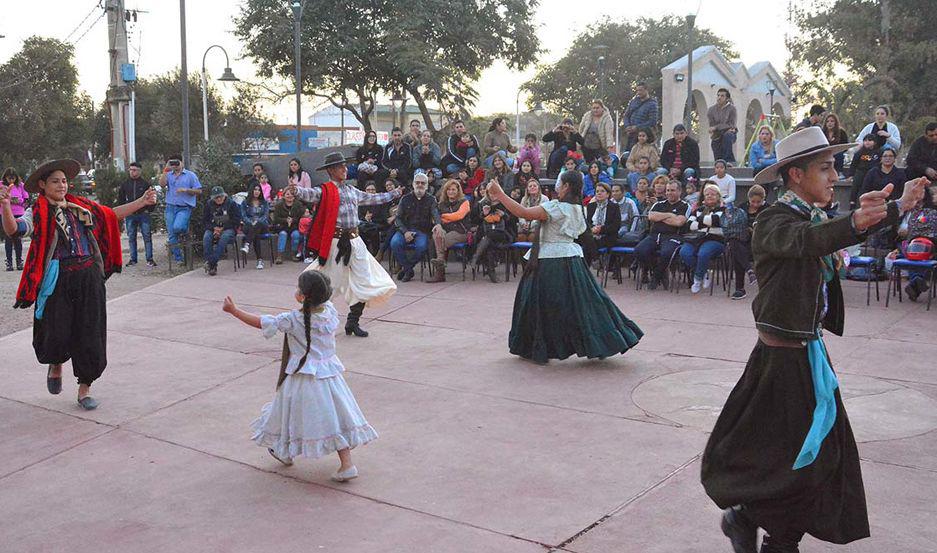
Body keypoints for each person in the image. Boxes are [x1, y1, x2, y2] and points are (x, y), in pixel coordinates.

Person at [702, 126, 927, 553]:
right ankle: (764, 531)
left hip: (807, 356)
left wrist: (898, 204)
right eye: (824, 168)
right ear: (795, 176)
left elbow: (832, 230)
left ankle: (753, 522)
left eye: (833, 167)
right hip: (780, 364)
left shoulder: (813, 216)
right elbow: (809, 242)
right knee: (802, 460)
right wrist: (858, 220)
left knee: (810, 458)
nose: (833, 176)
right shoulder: (774, 221)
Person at [0, 159, 157, 410]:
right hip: (57, 279)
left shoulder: (81, 206)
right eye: (55, 181)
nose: (61, 185)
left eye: (64, 181)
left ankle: (85, 388)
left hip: (88, 277)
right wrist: (6, 206)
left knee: (90, 332)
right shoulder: (37, 211)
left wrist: (142, 202)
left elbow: (110, 214)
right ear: (43, 185)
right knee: (55, 331)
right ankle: (55, 363)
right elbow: (14, 230)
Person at [223, 271, 377, 481]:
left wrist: (234, 311)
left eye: (298, 288)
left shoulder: (294, 319)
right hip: (330, 377)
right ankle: (345, 463)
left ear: (303, 296)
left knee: (287, 413)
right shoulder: (330, 312)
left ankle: (283, 451)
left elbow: (262, 322)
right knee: (336, 418)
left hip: (302, 378)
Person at [485, 171, 643, 363]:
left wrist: (500, 194)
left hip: (551, 262)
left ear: (567, 186)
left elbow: (523, 213)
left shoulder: (557, 208)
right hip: (572, 261)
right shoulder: (579, 208)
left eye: (559, 184)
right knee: (585, 303)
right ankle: (606, 339)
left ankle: (540, 346)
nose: (556, 187)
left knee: (540, 305)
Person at [288, 153, 402, 337]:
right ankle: (314, 321)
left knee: (364, 280)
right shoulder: (326, 190)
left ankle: (352, 322)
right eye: (341, 167)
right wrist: (297, 191)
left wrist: (393, 194)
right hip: (336, 243)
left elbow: (372, 198)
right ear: (331, 170)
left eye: (345, 166)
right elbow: (311, 194)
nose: (345, 169)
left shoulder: (352, 190)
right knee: (328, 283)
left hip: (356, 242)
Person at [635, 181, 689, 290]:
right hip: (654, 235)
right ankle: (658, 271)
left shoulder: (685, 206)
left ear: (679, 191)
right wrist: (669, 215)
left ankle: (656, 277)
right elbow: (651, 216)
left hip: (673, 236)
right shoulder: (658, 204)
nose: (669, 193)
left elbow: (679, 222)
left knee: (666, 253)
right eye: (668, 190)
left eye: (672, 190)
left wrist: (661, 218)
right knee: (639, 250)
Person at [391, 173, 442, 282]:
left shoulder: (431, 199)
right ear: (413, 184)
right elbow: (398, 219)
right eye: (417, 182)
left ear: (427, 186)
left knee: (421, 247)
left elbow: (435, 214)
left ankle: (406, 269)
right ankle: (409, 270)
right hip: (405, 230)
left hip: (422, 231)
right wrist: (405, 232)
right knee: (394, 243)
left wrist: (438, 224)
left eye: (423, 183)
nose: (420, 185)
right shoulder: (405, 199)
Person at [723, 185, 768, 300]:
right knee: (734, 244)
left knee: (738, 253)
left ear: (763, 200)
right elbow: (733, 224)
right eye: (753, 201)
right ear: (749, 198)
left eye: (759, 202)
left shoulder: (768, 209)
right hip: (743, 241)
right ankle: (747, 274)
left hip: (761, 243)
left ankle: (742, 285)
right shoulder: (741, 207)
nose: (755, 204)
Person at [679, 183, 725, 293]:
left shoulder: (723, 210)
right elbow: (689, 225)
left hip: (715, 239)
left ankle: (697, 279)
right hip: (696, 238)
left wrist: (699, 220)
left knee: (703, 254)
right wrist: (706, 222)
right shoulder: (698, 210)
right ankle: (704, 272)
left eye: (713, 194)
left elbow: (716, 220)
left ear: (718, 196)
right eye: (707, 194)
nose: (709, 196)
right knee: (684, 252)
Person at [159, 154, 202, 263]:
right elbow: (162, 184)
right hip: (170, 207)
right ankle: (179, 259)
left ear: (181, 162)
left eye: (177, 162)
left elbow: (199, 191)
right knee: (172, 233)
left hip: (184, 207)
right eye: (173, 162)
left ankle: (185, 229)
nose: (175, 165)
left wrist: (186, 190)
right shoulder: (169, 174)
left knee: (178, 227)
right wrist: (166, 169)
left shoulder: (190, 175)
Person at [427, 179, 471, 282]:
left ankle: (440, 272)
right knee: (436, 231)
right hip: (446, 230)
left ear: (458, 190)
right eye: (449, 190)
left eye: (453, 189)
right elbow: (435, 218)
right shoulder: (441, 204)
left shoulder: (464, 202)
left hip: (461, 232)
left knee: (440, 240)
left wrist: (443, 216)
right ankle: (441, 265)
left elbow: (459, 216)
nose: (451, 192)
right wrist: (440, 223)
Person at [470, 180, 514, 283]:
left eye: (495, 192)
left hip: (503, 233)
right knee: (489, 245)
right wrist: (484, 214)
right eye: (491, 193)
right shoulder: (482, 204)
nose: (493, 195)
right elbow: (475, 221)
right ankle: (491, 272)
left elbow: (512, 222)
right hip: (487, 232)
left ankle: (476, 257)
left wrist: (504, 215)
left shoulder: (506, 203)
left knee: (488, 237)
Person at [117, 162, 157, 267]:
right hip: (130, 215)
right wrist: (123, 211)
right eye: (130, 170)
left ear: (139, 171)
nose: (132, 172)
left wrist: (149, 210)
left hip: (143, 214)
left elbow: (152, 198)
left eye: (134, 170)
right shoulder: (125, 184)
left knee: (147, 236)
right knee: (131, 237)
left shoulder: (145, 184)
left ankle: (150, 259)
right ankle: (133, 259)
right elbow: (121, 199)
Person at [202, 186, 241, 276]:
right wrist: (214, 228)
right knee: (206, 237)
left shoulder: (232, 204)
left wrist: (222, 228)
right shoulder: (208, 205)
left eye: (220, 196)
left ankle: (211, 263)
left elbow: (236, 221)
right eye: (216, 197)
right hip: (213, 228)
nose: (219, 199)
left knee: (224, 237)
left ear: (224, 196)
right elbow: (204, 221)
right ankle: (213, 265)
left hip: (228, 229)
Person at [1, 168, 28, 271]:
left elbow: (26, 200)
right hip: (6, 214)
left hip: (18, 213)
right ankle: (9, 262)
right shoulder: (1, 185)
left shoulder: (20, 185)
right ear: (5, 177)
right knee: (8, 238)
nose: (11, 181)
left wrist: (18, 201)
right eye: (9, 178)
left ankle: (19, 260)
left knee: (18, 239)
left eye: (13, 178)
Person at [240, 181, 271, 270]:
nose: (257, 192)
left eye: (258, 190)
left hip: (262, 225)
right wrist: (251, 222)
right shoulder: (245, 203)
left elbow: (265, 215)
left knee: (259, 224)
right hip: (249, 225)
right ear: (251, 191)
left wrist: (257, 222)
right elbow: (243, 216)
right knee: (255, 234)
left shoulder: (264, 202)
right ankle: (259, 260)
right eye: (255, 190)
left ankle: (247, 244)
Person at [846, 134, 881, 208]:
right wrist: (850, 175)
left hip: (873, 173)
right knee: (855, 186)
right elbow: (853, 164)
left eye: (870, 140)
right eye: (865, 140)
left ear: (874, 142)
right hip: (860, 172)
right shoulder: (859, 152)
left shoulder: (878, 152)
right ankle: (852, 202)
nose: (867, 142)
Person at [272, 187, 306, 263]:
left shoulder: (298, 204)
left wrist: (293, 220)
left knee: (296, 235)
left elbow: (301, 217)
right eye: (287, 194)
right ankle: (279, 256)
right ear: (283, 196)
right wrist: (285, 220)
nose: (290, 196)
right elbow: (276, 218)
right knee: (283, 234)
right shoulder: (279, 205)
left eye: (291, 194)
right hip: (282, 227)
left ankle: (294, 254)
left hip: (294, 227)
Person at [623, 82, 659, 152]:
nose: (638, 92)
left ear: (646, 90)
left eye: (641, 90)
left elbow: (652, 121)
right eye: (637, 90)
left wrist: (637, 127)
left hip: (643, 136)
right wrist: (627, 126)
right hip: (631, 135)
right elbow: (626, 115)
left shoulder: (652, 104)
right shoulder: (633, 102)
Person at [357, 182, 391, 256]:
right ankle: (363, 253)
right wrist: (365, 219)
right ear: (365, 191)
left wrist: (371, 220)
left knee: (373, 229)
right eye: (368, 190)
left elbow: (384, 217)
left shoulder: (381, 202)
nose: (370, 192)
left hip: (378, 224)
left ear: (376, 191)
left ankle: (376, 254)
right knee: (362, 229)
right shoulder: (361, 202)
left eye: (372, 190)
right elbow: (359, 216)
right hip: (364, 224)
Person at [586, 182, 620, 250]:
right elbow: (587, 223)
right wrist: (592, 229)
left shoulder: (614, 207)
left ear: (608, 194)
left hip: (607, 236)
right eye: (597, 191)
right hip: (592, 234)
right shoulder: (590, 206)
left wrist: (601, 229)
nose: (599, 193)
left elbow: (616, 226)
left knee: (591, 243)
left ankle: (594, 259)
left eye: (602, 191)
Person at [707, 88, 738, 164]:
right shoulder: (711, 110)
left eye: (722, 96)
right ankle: (719, 163)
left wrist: (716, 127)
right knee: (715, 143)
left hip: (730, 132)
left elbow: (731, 124)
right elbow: (712, 125)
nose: (719, 97)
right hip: (717, 133)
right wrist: (715, 129)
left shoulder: (732, 109)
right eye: (718, 95)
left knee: (727, 137)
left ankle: (729, 161)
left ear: (727, 98)